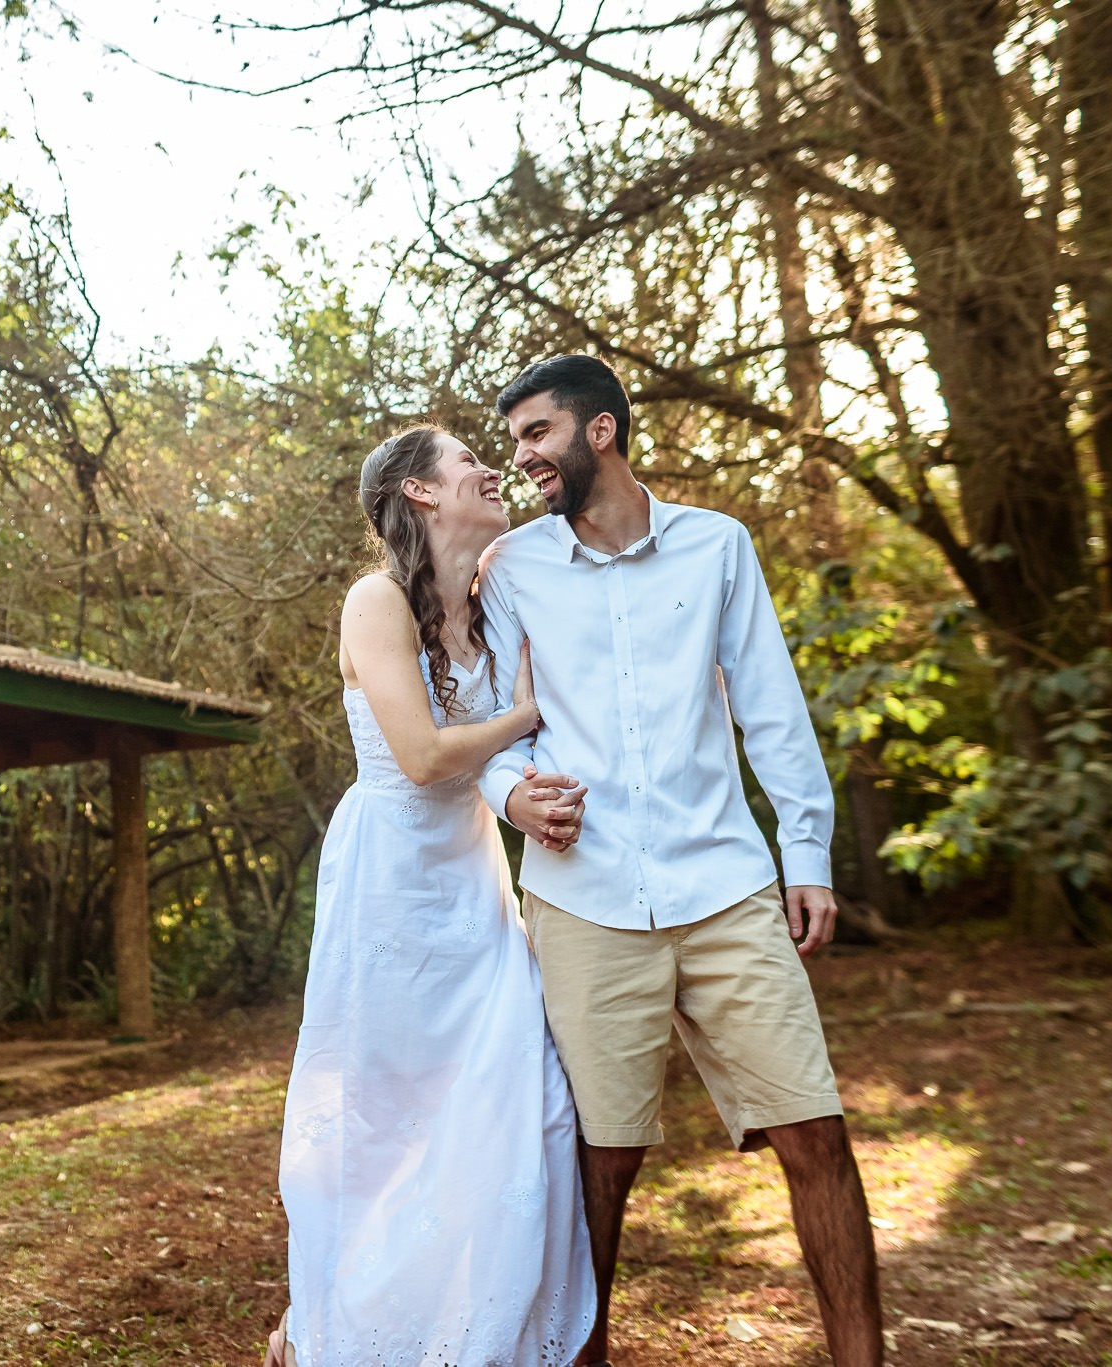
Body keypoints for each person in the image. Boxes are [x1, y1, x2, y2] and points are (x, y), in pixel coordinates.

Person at [476, 355, 884, 1367]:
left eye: (536, 433)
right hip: (584, 899)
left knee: (813, 1132)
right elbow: (487, 721)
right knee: (600, 1163)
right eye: (515, 440)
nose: (521, 456)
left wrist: (805, 851)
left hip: (724, 887)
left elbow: (770, 705)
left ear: (600, 429)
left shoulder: (717, 545)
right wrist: (512, 795)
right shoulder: (512, 568)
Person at [271, 425, 594, 1367]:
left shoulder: (493, 606)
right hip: (392, 885)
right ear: (419, 492)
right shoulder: (374, 601)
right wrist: (523, 714)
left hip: (477, 885)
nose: (490, 470)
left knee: (525, 1105)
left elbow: (502, 757)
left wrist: (532, 778)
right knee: (387, 1126)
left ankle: (482, 1334)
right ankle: (339, 1332)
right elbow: (418, 756)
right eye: (466, 462)